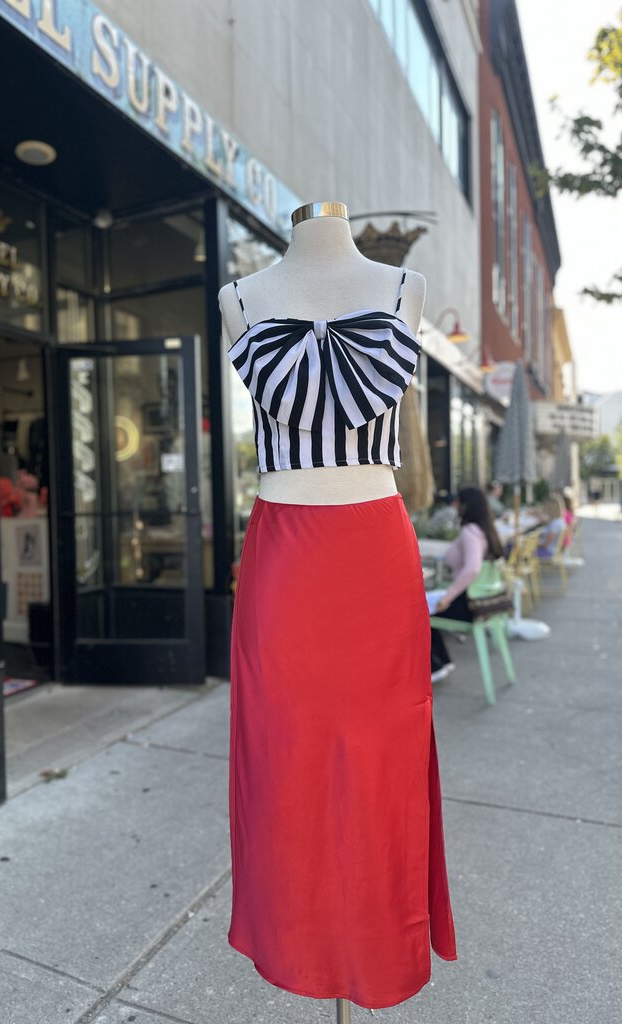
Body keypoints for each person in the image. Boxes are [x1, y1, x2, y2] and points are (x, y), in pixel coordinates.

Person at [219, 201, 456, 1013]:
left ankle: (378, 950)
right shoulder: (240, 298)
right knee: (285, 766)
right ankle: (301, 947)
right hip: (285, 558)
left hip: (372, 560)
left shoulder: (403, 287)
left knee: (383, 768)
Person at [430, 486, 504, 682]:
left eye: (457, 502)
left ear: (466, 505)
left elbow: (472, 568)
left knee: (418, 610)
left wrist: (448, 596)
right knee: (425, 604)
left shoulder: (470, 532)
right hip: (484, 602)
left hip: (469, 605)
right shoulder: (485, 531)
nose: (454, 506)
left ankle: (435, 664)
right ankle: (440, 662)